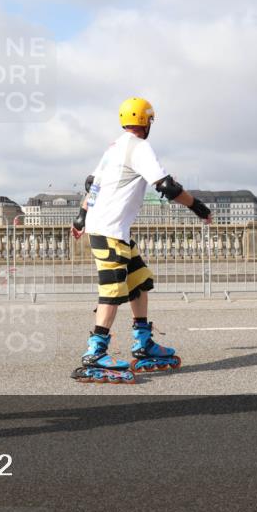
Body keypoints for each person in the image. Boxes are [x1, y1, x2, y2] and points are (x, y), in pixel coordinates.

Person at [69, 97, 212, 384]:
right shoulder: (140, 147)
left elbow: (92, 185)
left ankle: (143, 342)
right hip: (109, 231)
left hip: (110, 230)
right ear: (146, 122)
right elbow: (167, 186)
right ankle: (95, 353)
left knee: (139, 281)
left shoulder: (113, 148)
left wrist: (81, 217)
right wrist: (198, 206)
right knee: (112, 291)